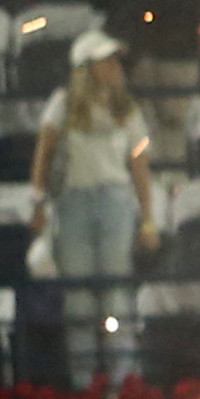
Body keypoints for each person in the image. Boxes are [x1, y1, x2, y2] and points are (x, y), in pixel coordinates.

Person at [33, 47, 155, 293]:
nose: (115, 66)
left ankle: (119, 332)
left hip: (116, 200)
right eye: (107, 60)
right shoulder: (62, 102)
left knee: (116, 285)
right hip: (73, 199)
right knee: (77, 289)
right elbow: (44, 153)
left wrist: (148, 220)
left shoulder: (126, 107)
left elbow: (140, 165)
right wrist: (37, 202)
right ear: (88, 67)